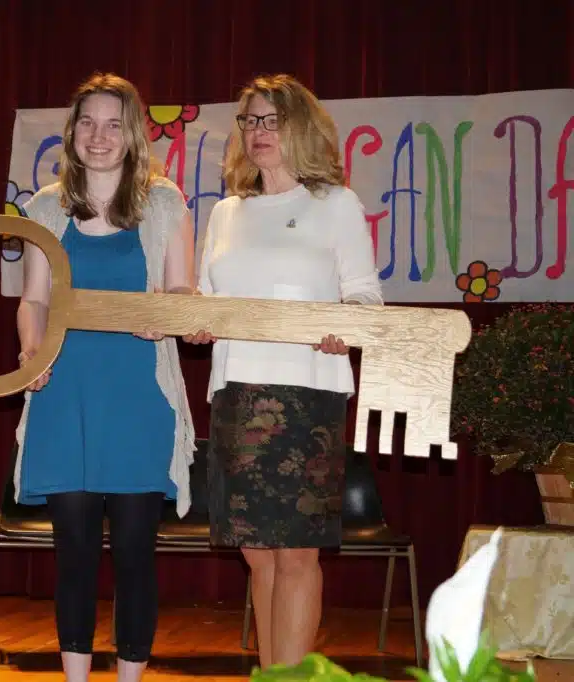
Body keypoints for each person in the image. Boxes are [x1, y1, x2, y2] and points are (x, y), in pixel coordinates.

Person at [187, 73, 383, 668]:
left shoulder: (336, 204)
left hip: (308, 394)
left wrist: (343, 328)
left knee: (296, 554)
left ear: (303, 128)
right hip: (236, 394)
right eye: (250, 121)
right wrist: (197, 321)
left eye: (272, 120)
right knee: (258, 556)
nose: (259, 132)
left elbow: (365, 298)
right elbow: (202, 299)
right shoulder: (225, 212)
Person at [14, 72, 197, 682]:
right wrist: (29, 353)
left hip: (139, 395)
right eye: (87, 122)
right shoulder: (44, 205)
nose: (99, 135)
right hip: (64, 393)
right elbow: (32, 301)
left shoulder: (165, 202)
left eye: (113, 123)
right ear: (72, 131)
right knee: (74, 554)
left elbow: (181, 292)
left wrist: (165, 316)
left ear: (133, 132)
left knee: (136, 555)